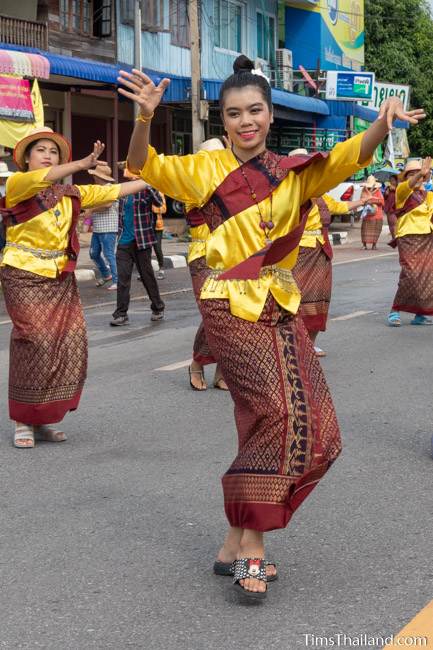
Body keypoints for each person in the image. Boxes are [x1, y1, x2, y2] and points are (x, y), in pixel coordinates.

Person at [118, 56, 424, 599]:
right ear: (223, 122)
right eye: (233, 114)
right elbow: (143, 166)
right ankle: (253, 545)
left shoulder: (294, 171)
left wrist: (381, 122)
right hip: (225, 302)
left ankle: (235, 537)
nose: (245, 121)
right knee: (276, 411)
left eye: (254, 110)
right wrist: (144, 118)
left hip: (279, 301)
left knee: (320, 427)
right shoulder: (202, 171)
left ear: (269, 113)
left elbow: (350, 157)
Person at [0, 126, 152, 449]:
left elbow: (114, 193)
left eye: (53, 152)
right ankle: (22, 420)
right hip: (23, 273)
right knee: (35, 340)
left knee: (65, 344)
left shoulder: (71, 196)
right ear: (26, 158)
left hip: (59, 277)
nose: (47, 156)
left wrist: (158, 178)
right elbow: (44, 178)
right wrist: (82, 164)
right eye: (40, 150)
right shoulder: (17, 185)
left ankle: (41, 419)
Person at [288, 157, 367, 357]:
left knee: (320, 297)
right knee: (297, 298)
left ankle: (310, 343)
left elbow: (341, 207)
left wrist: (363, 201)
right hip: (299, 252)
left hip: (321, 251)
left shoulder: (322, 197)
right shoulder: (290, 195)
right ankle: (293, 343)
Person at [187, 138, 229, 392]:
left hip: (232, 255)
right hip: (202, 255)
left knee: (231, 313)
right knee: (214, 313)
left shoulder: (233, 184)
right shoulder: (193, 186)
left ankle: (222, 371)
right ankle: (196, 362)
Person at [110, 171, 165, 326]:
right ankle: (121, 314)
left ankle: (158, 307)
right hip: (123, 241)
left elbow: (159, 203)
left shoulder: (145, 190)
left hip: (142, 241)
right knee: (123, 278)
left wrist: (148, 184)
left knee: (147, 276)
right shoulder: (123, 190)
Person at [388, 157, 433, 327]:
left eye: (418, 174)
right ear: (406, 177)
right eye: (411, 174)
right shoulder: (402, 191)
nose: (415, 177)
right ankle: (394, 310)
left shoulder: (428, 195)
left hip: (427, 238)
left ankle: (419, 314)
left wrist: (424, 176)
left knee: (426, 276)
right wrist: (421, 173)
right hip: (408, 237)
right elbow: (408, 185)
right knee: (411, 274)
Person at [86, 162, 119, 290]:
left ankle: (117, 281)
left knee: (109, 254)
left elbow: (107, 205)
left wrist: (91, 210)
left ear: (100, 177)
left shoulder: (110, 188)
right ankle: (107, 275)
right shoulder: (98, 189)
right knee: (93, 253)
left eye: (95, 175)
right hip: (98, 228)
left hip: (108, 228)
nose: (93, 178)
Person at [360, 175, 385, 250]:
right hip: (367, 215)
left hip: (377, 215)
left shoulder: (378, 191)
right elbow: (361, 200)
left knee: (376, 230)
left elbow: (382, 201)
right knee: (365, 230)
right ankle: (364, 245)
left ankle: (374, 245)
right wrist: (368, 201)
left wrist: (372, 201)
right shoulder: (364, 191)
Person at [152, 189, 166, 279]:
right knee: (145, 250)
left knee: (157, 248)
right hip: (146, 225)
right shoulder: (143, 192)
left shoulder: (160, 192)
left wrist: (153, 207)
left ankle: (161, 269)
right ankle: (144, 272)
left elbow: (164, 209)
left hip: (157, 226)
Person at [0, 161, 13, 250]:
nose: (4, 179)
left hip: (6, 219)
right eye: (2, 177)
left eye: (5, 177)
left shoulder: (8, 187)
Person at [384, 174, 398, 239]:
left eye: (393, 180)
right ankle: (393, 238)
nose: (391, 182)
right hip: (388, 207)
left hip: (395, 207)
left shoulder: (399, 187)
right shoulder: (387, 188)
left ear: (396, 181)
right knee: (390, 224)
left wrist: (395, 190)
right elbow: (385, 197)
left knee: (394, 224)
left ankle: (395, 238)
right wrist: (386, 193)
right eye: (390, 180)